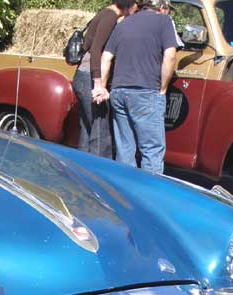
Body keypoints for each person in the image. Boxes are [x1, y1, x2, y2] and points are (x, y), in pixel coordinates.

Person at [94, 0, 178, 174]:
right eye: (168, 9)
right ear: (162, 7)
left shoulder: (124, 23)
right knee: (151, 150)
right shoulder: (164, 21)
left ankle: (124, 193)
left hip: (119, 92)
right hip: (146, 91)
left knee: (124, 150)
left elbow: (106, 57)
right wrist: (162, 88)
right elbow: (170, 57)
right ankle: (149, 196)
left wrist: (102, 86)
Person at [72, 0, 137, 158]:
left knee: (89, 128)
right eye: (137, 4)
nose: (137, 8)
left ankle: (83, 168)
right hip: (89, 76)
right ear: (129, 3)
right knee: (100, 130)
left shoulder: (105, 13)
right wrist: (98, 84)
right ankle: (100, 173)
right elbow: (96, 49)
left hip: (83, 75)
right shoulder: (110, 17)